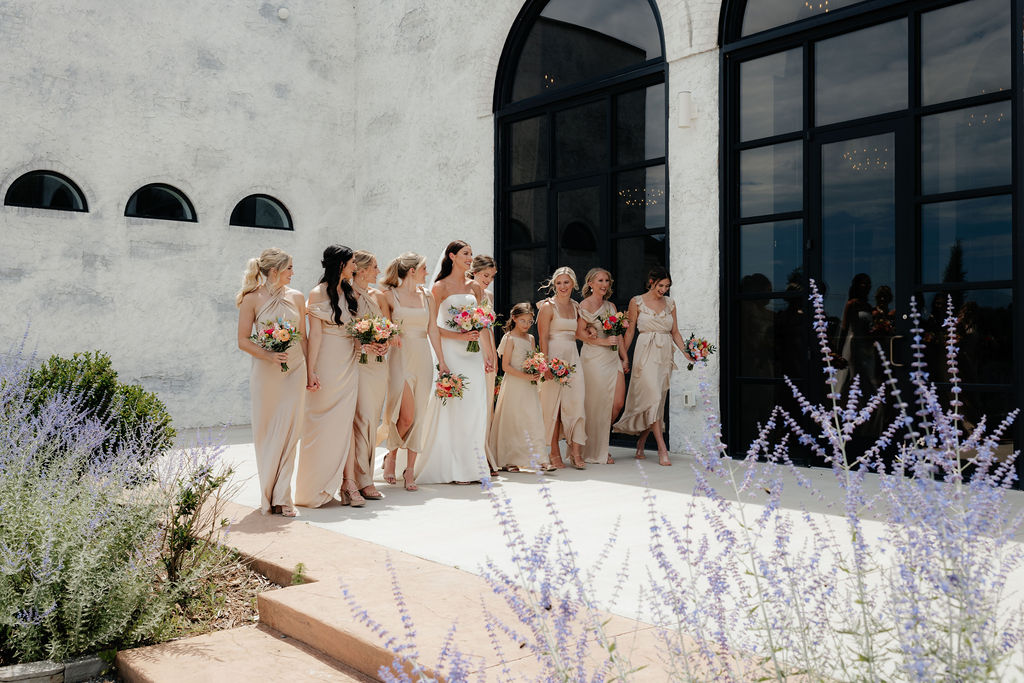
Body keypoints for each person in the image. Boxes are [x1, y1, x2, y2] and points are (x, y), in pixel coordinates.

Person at [235, 247, 311, 517]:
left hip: (295, 369)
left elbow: (303, 337)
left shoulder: (298, 297)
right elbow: (243, 340)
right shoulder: (251, 299)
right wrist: (268, 354)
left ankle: (283, 496)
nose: (294, 273)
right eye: (289, 268)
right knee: (267, 433)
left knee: (291, 431)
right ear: (274, 271)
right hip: (266, 373)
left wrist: (310, 372)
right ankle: (268, 494)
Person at [415, 240, 497, 484]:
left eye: (471, 253)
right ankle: (455, 468)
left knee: (475, 408)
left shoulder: (476, 287)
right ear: (452, 256)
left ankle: (473, 467)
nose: (470, 257)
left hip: (473, 355)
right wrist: (442, 361)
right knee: (456, 409)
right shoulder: (439, 287)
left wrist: (488, 353)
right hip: (451, 352)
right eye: (465, 253)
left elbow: (482, 322)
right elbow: (433, 327)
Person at [294, 245, 362, 508]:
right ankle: (317, 486)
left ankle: (349, 484)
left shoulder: (350, 291)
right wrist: (311, 371)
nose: (355, 266)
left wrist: (366, 342)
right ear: (341, 263)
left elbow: (354, 330)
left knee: (346, 423)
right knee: (323, 423)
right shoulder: (317, 293)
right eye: (352, 262)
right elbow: (316, 335)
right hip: (327, 362)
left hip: (349, 360)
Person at [380, 252, 449, 491]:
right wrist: (393, 332)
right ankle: (390, 456)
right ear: (412, 271)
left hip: (422, 357)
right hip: (399, 357)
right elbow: (384, 324)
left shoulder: (427, 297)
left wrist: (442, 361)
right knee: (404, 416)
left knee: (418, 415)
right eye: (423, 269)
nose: (426, 273)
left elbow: (433, 330)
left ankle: (409, 470)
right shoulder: (388, 295)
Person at [613, 266, 691, 466]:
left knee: (656, 400)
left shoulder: (670, 303)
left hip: (664, 354)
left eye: (667, 286)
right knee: (653, 397)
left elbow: (675, 332)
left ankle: (641, 442)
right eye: (660, 285)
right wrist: (623, 357)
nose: (663, 289)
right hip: (645, 353)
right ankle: (662, 449)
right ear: (651, 282)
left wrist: (687, 352)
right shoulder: (636, 301)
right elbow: (629, 332)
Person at [536, 267, 587, 469]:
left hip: (573, 356)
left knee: (576, 403)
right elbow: (542, 337)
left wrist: (592, 331)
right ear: (554, 285)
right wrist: (545, 364)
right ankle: (554, 452)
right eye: (559, 283)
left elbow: (580, 332)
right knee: (553, 407)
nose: (562, 287)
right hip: (554, 357)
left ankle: (575, 452)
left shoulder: (576, 307)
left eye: (566, 282)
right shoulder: (548, 307)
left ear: (573, 284)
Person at [350, 250, 390, 501]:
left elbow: (387, 327)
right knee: (361, 419)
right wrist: (361, 343)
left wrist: (384, 341)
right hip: (357, 362)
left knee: (372, 417)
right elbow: (342, 328)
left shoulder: (378, 296)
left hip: (378, 363)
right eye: (375, 267)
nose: (378, 271)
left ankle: (363, 473)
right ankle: (360, 478)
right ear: (362, 270)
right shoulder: (346, 294)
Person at [488, 303, 548, 470]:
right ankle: (509, 459)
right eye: (522, 320)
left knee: (532, 418)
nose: (526, 325)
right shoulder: (509, 338)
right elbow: (505, 366)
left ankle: (541, 459)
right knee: (514, 420)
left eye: (529, 321)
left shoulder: (530, 338)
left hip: (529, 386)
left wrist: (537, 369)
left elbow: (532, 358)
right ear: (514, 318)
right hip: (514, 384)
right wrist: (526, 376)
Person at [578, 268, 628, 465]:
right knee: (596, 405)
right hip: (594, 359)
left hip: (613, 357)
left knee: (617, 403)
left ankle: (601, 443)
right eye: (599, 280)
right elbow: (579, 334)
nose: (604, 284)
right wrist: (602, 342)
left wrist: (625, 358)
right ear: (590, 283)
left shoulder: (611, 306)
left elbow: (619, 335)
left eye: (607, 280)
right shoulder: (585, 305)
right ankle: (596, 449)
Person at [469, 255, 500, 474]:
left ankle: (484, 452)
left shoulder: (488, 295)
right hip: (472, 352)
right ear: (474, 272)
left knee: (487, 403)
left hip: (487, 350)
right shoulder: (467, 294)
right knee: (475, 404)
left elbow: (488, 328)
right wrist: (486, 354)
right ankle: (473, 456)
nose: (488, 280)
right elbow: (475, 327)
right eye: (485, 275)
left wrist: (494, 355)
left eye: (492, 276)